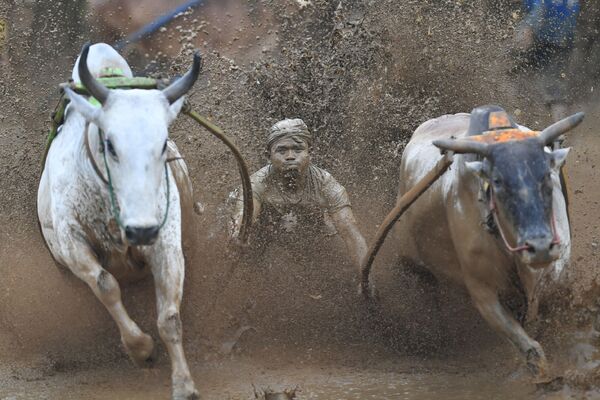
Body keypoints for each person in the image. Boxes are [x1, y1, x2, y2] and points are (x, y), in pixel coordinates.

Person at [229, 118, 367, 273]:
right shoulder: (257, 184)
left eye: (297, 150)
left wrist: (366, 275)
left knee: (337, 250)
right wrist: (237, 237)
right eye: (281, 151)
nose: (290, 156)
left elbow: (350, 233)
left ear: (310, 152)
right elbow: (242, 223)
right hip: (264, 232)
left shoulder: (326, 183)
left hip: (310, 234)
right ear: (268, 155)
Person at [513, 0, 580, 121]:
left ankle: (525, 120)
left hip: (543, 43)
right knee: (555, 83)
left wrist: (526, 29)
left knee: (526, 79)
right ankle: (559, 125)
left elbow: (537, 12)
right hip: (564, 43)